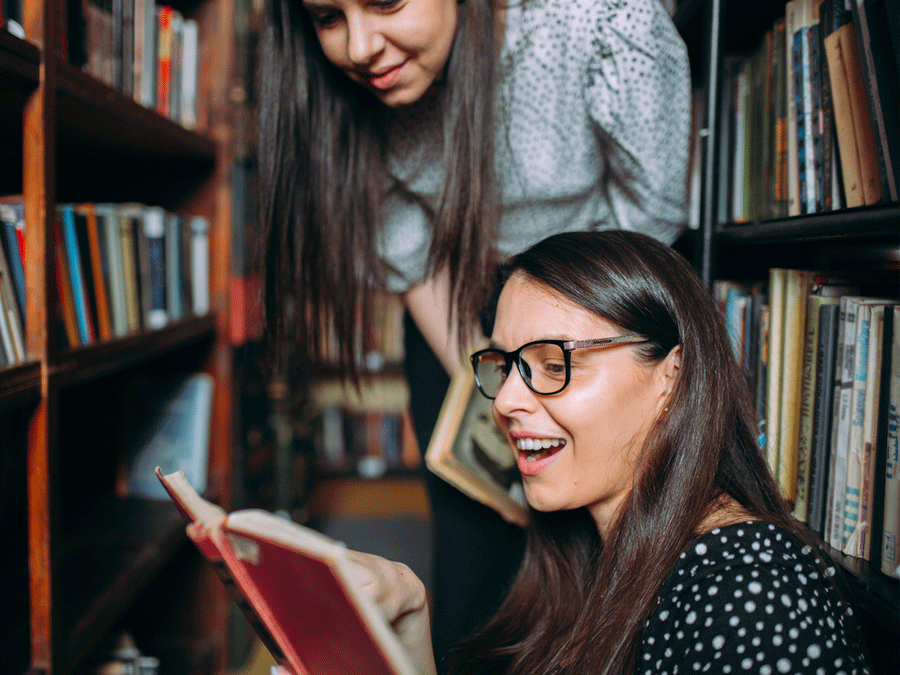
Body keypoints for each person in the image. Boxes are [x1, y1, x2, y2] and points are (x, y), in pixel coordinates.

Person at [256, 0, 692, 667]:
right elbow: (412, 260)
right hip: (461, 302)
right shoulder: (353, 89)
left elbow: (651, 214)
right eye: (327, 17)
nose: (360, 46)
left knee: (601, 538)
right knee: (476, 554)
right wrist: (496, 380)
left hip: (602, 287)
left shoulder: (603, 19)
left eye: (385, 1)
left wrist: (557, 360)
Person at [278, 230, 872, 675]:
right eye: (506, 366)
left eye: (554, 365)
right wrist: (406, 629)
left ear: (672, 377)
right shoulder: (587, 553)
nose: (506, 400)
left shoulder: (747, 584)